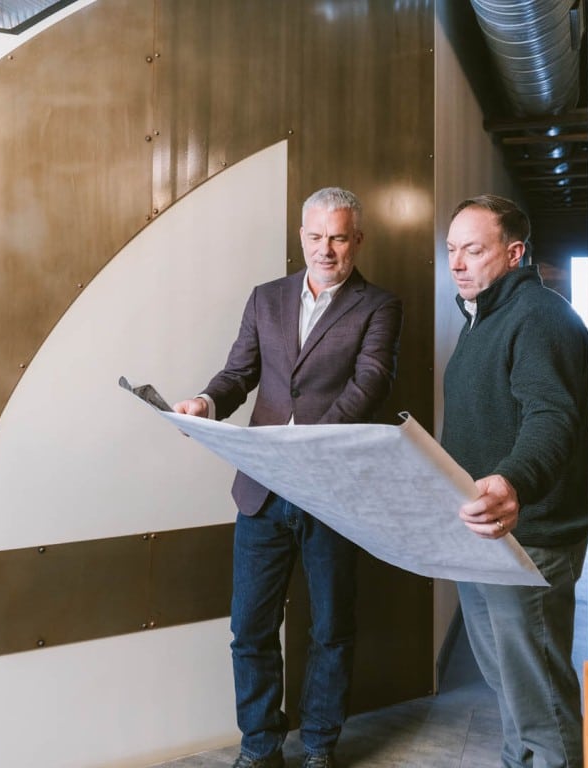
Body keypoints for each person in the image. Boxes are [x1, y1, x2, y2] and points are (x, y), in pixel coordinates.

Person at [173, 187, 403, 768]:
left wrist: (307, 447)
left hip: (331, 492)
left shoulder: (379, 306)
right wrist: (205, 402)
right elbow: (239, 373)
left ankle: (319, 747)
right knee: (250, 629)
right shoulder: (266, 297)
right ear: (301, 236)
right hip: (262, 492)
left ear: (357, 240)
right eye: (316, 236)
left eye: (339, 237)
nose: (326, 249)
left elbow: (370, 383)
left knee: (331, 629)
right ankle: (260, 748)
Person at [441, 194, 588, 768]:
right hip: (482, 533)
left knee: (541, 701)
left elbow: (551, 416)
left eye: (473, 250)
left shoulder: (540, 316)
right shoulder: (480, 318)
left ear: (514, 253)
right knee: (510, 686)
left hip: (529, 537)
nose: (458, 263)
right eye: (451, 250)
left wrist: (513, 481)